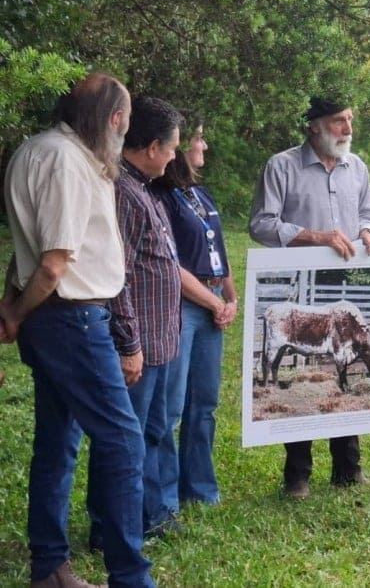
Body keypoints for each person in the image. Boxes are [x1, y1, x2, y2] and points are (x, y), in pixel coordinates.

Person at [0, 73, 157, 586]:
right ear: (113, 119)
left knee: (57, 442)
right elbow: (52, 263)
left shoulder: (33, 149)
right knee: (122, 441)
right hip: (71, 316)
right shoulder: (68, 161)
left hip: (56, 318)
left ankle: (49, 568)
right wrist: (18, 313)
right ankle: (129, 576)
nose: (125, 131)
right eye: (126, 121)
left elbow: (25, 247)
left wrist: (11, 303)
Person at [249, 94, 370, 497]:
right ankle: (297, 476)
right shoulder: (281, 166)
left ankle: (348, 470)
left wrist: (369, 232)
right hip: (302, 288)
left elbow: (369, 213)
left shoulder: (356, 168)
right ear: (315, 126)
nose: (348, 129)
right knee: (303, 379)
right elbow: (261, 224)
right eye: (339, 121)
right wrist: (314, 237)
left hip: (343, 287)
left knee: (341, 369)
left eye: (350, 120)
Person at [94, 95, 184, 545]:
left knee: (151, 433)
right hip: (140, 346)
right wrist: (130, 343)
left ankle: (147, 516)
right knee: (125, 441)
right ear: (151, 147)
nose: (173, 158)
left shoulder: (144, 190)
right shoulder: (124, 194)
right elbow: (118, 277)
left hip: (161, 343)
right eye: (171, 148)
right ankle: (111, 528)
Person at [154, 121, 238, 513]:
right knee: (172, 407)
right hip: (184, 305)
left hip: (213, 303)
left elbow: (219, 253)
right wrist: (213, 302)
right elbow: (172, 266)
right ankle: (165, 499)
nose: (204, 144)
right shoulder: (162, 196)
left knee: (204, 404)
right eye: (199, 137)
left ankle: (201, 490)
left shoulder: (200, 194)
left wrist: (230, 298)